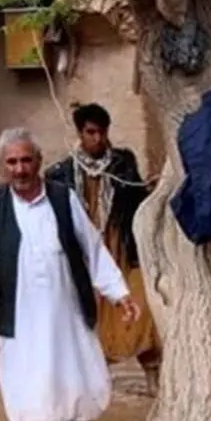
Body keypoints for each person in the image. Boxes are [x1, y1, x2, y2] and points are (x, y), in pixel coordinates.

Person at [0, 127, 140, 421]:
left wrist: (119, 294)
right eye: (12, 162)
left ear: (39, 161)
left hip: (65, 313)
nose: (20, 169)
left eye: (26, 160)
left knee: (71, 379)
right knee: (25, 383)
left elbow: (93, 249)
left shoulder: (63, 197)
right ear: (3, 165)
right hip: (19, 315)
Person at [45, 103, 163, 396]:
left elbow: (138, 203)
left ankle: (152, 379)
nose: (97, 138)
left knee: (139, 308)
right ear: (80, 133)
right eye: (91, 132)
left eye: (102, 132)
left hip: (121, 248)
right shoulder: (60, 173)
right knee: (87, 318)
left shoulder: (123, 164)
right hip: (83, 256)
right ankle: (92, 386)